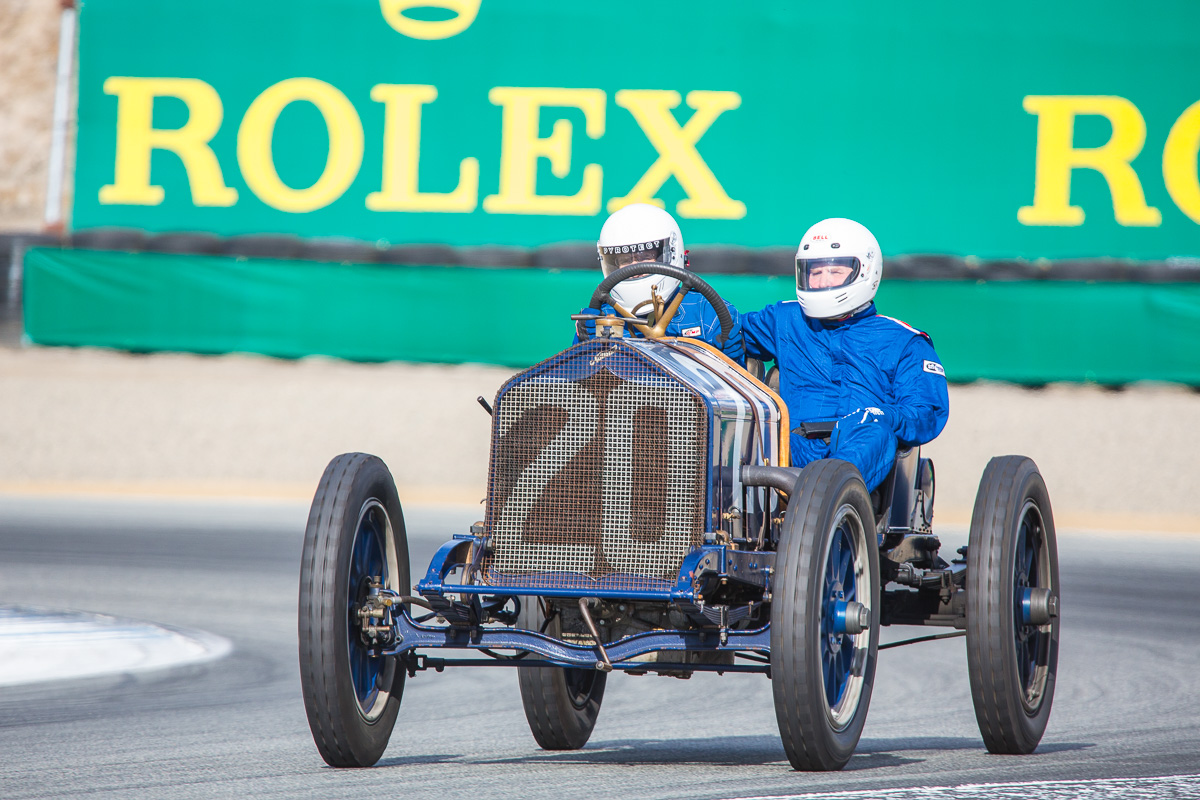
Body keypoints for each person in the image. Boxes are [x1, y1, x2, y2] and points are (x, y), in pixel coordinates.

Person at [740, 218, 949, 491]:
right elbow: (723, 330)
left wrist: (883, 416)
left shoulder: (904, 341)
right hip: (790, 446)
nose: (823, 281)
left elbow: (927, 412)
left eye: (835, 272)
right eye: (815, 273)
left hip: (860, 448)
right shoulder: (784, 319)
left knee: (875, 431)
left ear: (865, 271)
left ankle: (823, 500)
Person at [575, 203, 745, 366]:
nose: (636, 268)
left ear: (672, 253)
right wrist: (583, 345)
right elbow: (577, 384)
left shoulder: (708, 312)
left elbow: (731, 387)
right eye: (625, 260)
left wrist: (728, 356)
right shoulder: (602, 319)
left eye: (645, 256)